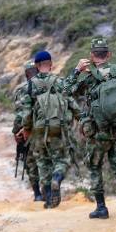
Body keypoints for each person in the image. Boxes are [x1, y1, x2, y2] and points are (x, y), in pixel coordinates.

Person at [63, 38, 116, 221]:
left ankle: (101, 207)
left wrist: (76, 71)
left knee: (94, 166)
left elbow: (66, 91)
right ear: (109, 55)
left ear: (92, 56)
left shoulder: (89, 76)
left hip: (98, 131)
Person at [18, 50, 81, 208]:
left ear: (37, 66)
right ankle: (57, 179)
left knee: (42, 161)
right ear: (51, 65)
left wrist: (26, 129)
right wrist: (81, 118)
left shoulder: (30, 85)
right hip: (58, 127)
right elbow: (71, 101)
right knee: (62, 159)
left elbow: (26, 111)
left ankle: (47, 199)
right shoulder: (59, 82)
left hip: (38, 129)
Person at [12, 60, 42, 201]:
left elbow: (20, 114)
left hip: (28, 130)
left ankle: (37, 194)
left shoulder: (21, 89)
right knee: (48, 160)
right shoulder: (48, 84)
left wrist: (16, 132)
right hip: (47, 129)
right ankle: (49, 190)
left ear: (26, 74)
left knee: (30, 162)